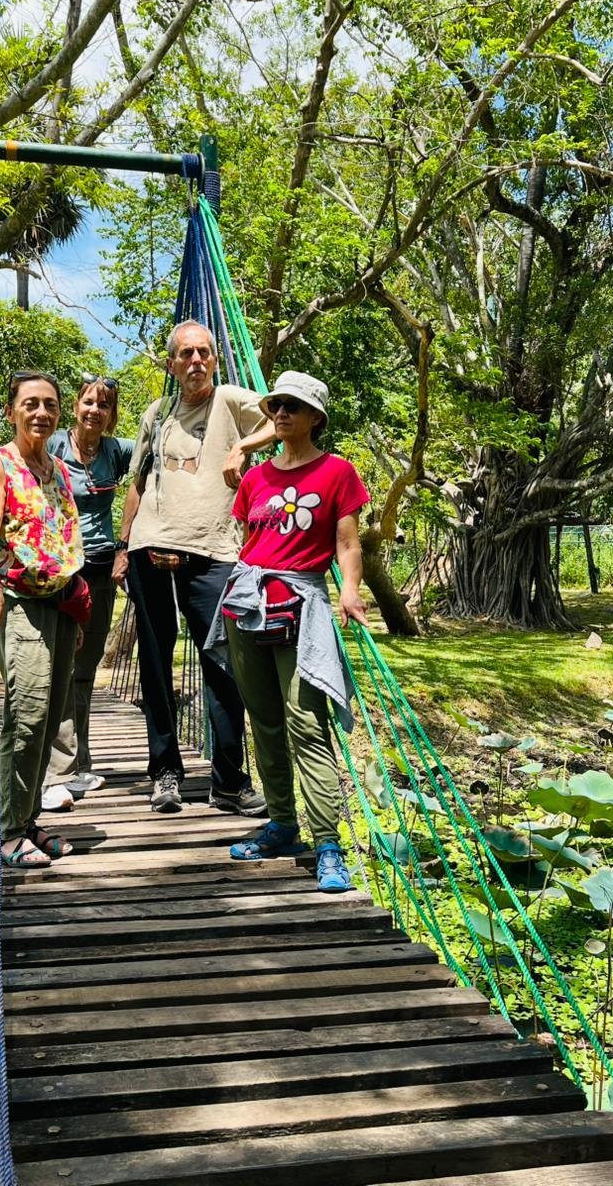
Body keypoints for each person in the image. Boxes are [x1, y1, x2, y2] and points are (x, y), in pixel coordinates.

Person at [205, 371, 370, 893]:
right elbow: (251, 541)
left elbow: (346, 543)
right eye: (276, 405)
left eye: (292, 407)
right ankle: (281, 824)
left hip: (302, 606)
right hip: (248, 607)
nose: (280, 414)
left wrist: (349, 590)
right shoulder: (256, 480)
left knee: (306, 723)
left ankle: (327, 843)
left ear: (315, 417)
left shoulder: (338, 472)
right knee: (264, 721)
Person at [112, 320, 276, 815]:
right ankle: (164, 773)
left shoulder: (227, 399)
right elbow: (138, 483)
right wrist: (123, 546)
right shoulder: (156, 414)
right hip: (148, 550)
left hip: (214, 554)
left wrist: (242, 447)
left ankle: (229, 780)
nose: (196, 361)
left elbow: (279, 419)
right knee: (156, 667)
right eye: (186, 354)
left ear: (215, 359)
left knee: (225, 667)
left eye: (204, 352)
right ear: (171, 364)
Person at [0, 371, 89, 868]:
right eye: (30, 403)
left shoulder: (59, 469)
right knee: (25, 717)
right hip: (21, 599)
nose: (40, 412)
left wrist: (79, 604)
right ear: (11, 411)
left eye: (49, 404)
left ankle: (24, 820)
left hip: (62, 603)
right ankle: (6, 833)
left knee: (48, 720)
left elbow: (66, 535)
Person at [40, 373, 133, 812]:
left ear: (112, 415)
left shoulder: (116, 452)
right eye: (89, 402)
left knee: (85, 667)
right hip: (62, 570)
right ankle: (54, 768)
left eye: (105, 405)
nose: (95, 410)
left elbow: (159, 450)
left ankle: (79, 761)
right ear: (76, 406)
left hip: (99, 569)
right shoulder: (54, 444)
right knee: (59, 662)